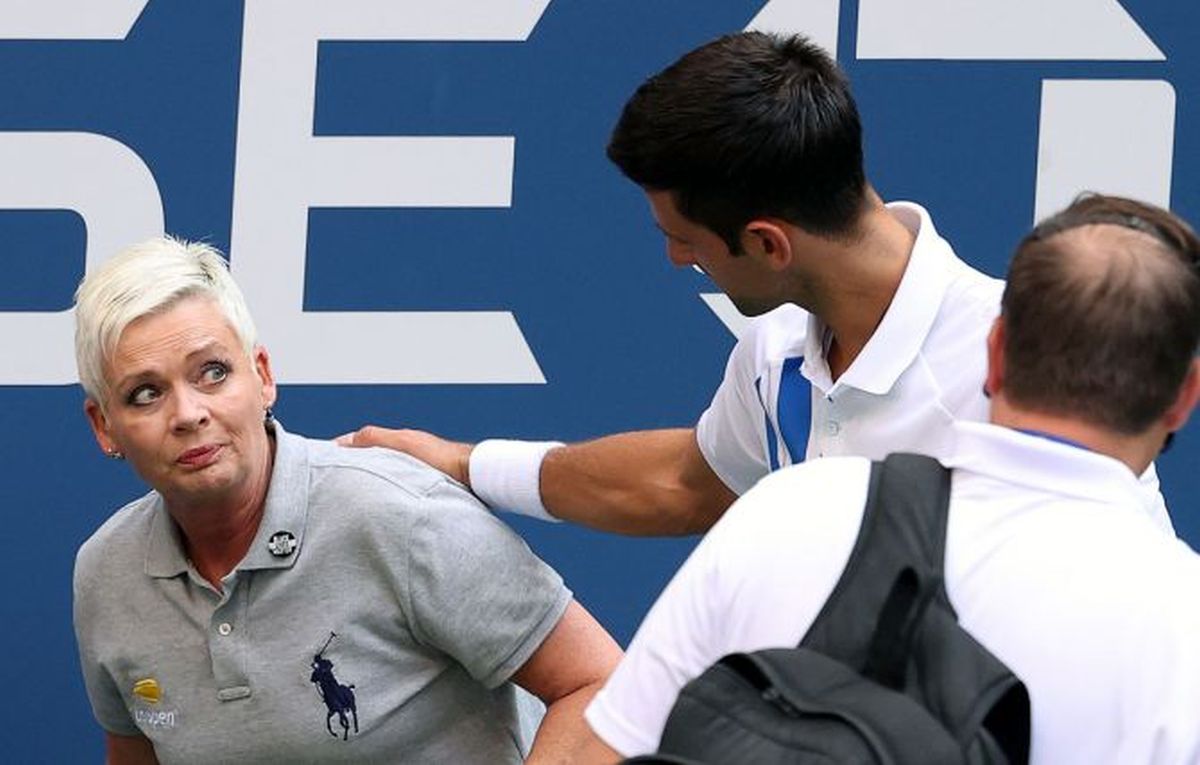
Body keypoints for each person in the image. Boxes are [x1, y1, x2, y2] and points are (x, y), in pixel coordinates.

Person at [338, 31, 1171, 535]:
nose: (673, 260)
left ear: (769, 243)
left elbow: (1119, 623)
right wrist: (458, 463)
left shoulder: (1026, 370)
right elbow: (686, 482)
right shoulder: (778, 347)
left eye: (685, 241)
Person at [575, 195, 1200, 763]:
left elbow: (607, 751)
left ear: (997, 351)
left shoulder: (791, 510)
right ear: (1184, 397)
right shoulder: (1185, 626)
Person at [71, 237, 622, 764]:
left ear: (262, 377)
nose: (188, 413)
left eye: (212, 373)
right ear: (105, 428)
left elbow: (602, 685)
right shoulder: (106, 573)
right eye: (146, 393)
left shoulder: (402, 516)